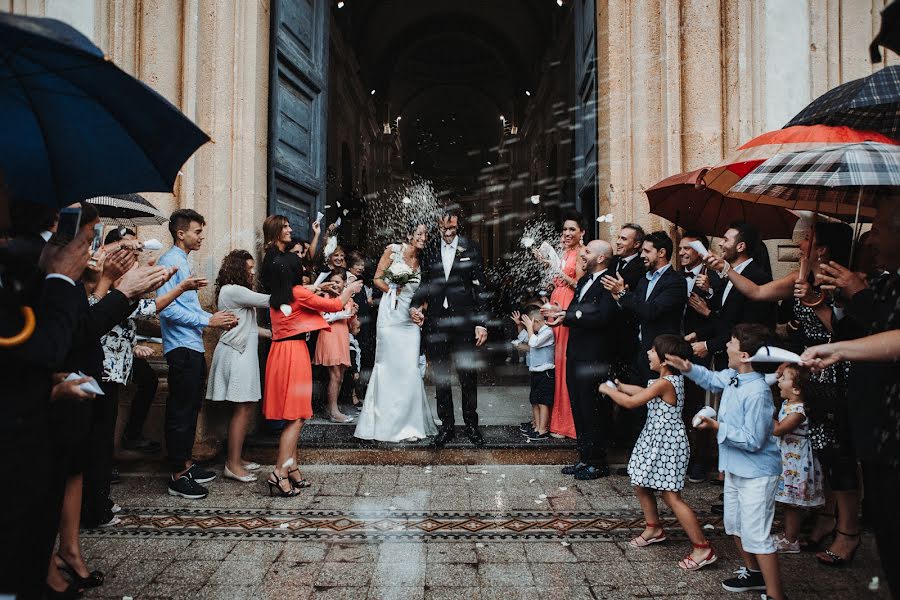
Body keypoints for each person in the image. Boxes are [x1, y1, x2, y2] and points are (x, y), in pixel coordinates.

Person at [705, 220, 859, 564]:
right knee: (819, 449)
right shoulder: (797, 278)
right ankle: (825, 518)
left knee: (838, 451)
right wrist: (727, 269)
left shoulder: (846, 279)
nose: (800, 243)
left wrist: (819, 302)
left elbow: (849, 333)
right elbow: (758, 293)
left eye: (808, 239)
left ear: (823, 248)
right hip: (807, 371)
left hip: (838, 371)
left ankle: (848, 530)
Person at [800, 196, 900, 596]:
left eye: (879, 228)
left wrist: (856, 296)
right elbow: (850, 332)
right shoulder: (883, 279)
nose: (871, 239)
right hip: (874, 429)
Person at [83, 227, 204, 529]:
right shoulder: (99, 295)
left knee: (102, 434)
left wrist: (180, 287)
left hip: (115, 374)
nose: (133, 263)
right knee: (95, 441)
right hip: (100, 372)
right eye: (127, 258)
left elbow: (150, 307)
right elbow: (91, 322)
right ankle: (95, 504)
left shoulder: (123, 298)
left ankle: (100, 498)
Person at [666, 324, 784, 600]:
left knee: (757, 534)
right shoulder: (733, 376)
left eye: (731, 343)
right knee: (735, 525)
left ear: (744, 355)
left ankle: (777, 594)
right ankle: (754, 574)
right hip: (734, 468)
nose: (727, 346)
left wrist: (716, 426)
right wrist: (687, 367)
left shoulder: (757, 392)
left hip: (757, 473)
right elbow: (712, 380)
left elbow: (754, 440)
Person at [599, 334, 717, 571]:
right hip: (654, 441)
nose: (648, 353)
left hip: (668, 445)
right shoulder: (663, 380)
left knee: (671, 495)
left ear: (665, 360)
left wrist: (609, 391)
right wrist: (621, 386)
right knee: (641, 484)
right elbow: (643, 390)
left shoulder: (667, 382)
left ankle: (702, 548)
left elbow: (633, 402)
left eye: (653, 350)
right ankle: (653, 528)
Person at [157, 209, 239, 500]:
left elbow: (187, 308)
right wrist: (208, 321)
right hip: (180, 348)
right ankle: (177, 475)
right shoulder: (170, 262)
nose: (202, 236)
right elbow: (165, 308)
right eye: (197, 232)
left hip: (191, 345)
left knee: (190, 408)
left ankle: (187, 463)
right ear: (181, 234)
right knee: (181, 410)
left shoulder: (182, 262)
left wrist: (213, 316)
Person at [264, 251, 361, 496]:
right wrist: (349, 289)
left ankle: (292, 466)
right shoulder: (298, 293)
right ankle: (279, 472)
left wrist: (318, 288)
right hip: (294, 353)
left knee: (290, 415)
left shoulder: (280, 294)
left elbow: (303, 300)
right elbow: (335, 305)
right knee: (297, 416)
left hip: (279, 352)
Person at [602, 230, 686, 457]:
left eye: (647, 251)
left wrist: (623, 295)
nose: (643, 256)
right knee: (639, 408)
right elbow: (634, 311)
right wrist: (619, 298)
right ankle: (638, 457)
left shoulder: (676, 282)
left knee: (657, 408)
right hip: (641, 352)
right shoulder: (643, 280)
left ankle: (660, 458)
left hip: (662, 357)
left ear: (662, 252)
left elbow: (651, 311)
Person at [411, 208, 489, 447]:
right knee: (442, 377)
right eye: (444, 228)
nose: (447, 232)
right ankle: (446, 427)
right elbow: (425, 282)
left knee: (467, 376)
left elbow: (480, 287)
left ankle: (472, 426)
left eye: (452, 228)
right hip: (437, 322)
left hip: (465, 322)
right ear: (438, 226)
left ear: (458, 226)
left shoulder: (471, 248)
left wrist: (481, 323)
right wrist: (415, 305)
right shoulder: (432, 249)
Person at [356, 224, 440, 442]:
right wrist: (393, 288)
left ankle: (410, 424)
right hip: (391, 315)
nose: (423, 237)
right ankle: (385, 423)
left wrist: (420, 311)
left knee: (409, 367)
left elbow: (425, 292)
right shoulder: (393, 250)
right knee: (388, 366)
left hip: (410, 319)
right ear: (409, 235)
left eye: (425, 234)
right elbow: (377, 279)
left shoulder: (425, 260)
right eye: (419, 233)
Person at [545, 240, 619, 479]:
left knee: (592, 408)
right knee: (579, 405)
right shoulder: (586, 280)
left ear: (600, 258)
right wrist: (562, 317)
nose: (582, 254)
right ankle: (584, 457)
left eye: (587, 252)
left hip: (594, 357)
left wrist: (570, 315)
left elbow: (603, 316)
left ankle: (598, 462)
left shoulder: (609, 282)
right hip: (576, 353)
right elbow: (578, 311)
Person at [206, 250, 272, 483]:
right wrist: (305, 290)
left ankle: (237, 457)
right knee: (243, 407)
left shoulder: (233, 292)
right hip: (237, 356)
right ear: (237, 269)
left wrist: (272, 334)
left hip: (240, 353)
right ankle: (232, 465)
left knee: (243, 407)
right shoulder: (234, 290)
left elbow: (248, 326)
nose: (253, 271)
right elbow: (270, 301)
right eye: (249, 267)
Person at [534, 212, 585, 440]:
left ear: (582, 232)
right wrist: (549, 265)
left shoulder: (583, 253)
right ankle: (550, 419)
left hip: (568, 306)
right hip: (555, 305)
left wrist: (558, 271)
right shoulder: (563, 252)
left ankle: (567, 423)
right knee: (552, 361)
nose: (567, 233)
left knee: (564, 362)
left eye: (572, 229)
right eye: (565, 229)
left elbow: (581, 286)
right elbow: (558, 279)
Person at [678, 231, 720, 484]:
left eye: (688, 248)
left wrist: (709, 299)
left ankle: (700, 462)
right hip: (678, 350)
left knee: (699, 407)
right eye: (680, 248)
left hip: (702, 352)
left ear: (701, 251)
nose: (682, 252)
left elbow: (722, 321)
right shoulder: (675, 276)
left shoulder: (712, 280)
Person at [772, 364, 824, 553]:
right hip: (788, 458)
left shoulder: (798, 412)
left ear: (796, 389)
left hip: (797, 462)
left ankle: (791, 540)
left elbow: (778, 430)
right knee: (788, 503)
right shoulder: (788, 404)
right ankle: (788, 534)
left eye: (783, 378)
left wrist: (763, 410)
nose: (779, 381)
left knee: (792, 504)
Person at [314, 268, 358, 423]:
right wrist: (338, 315)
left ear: (345, 283)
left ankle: (333, 408)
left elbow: (354, 328)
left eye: (338, 282)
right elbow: (319, 319)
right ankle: (334, 412)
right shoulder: (324, 297)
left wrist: (353, 316)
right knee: (335, 376)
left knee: (339, 377)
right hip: (329, 336)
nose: (335, 285)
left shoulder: (348, 300)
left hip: (342, 338)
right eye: (332, 282)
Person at [518, 307, 555, 441]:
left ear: (538, 321)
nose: (530, 327)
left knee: (543, 402)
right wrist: (522, 325)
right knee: (534, 400)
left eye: (530, 323)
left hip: (546, 372)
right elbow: (524, 339)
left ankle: (542, 429)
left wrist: (528, 328)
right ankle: (537, 427)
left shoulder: (548, 332)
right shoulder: (537, 331)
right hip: (536, 372)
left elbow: (533, 342)